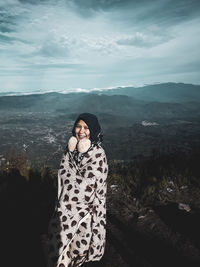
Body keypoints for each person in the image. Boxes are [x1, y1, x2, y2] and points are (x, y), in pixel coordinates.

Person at [47, 113, 108, 267]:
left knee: (81, 248)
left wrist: (72, 183)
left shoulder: (98, 154)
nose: (81, 131)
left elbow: (87, 188)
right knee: (61, 246)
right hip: (65, 209)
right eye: (78, 126)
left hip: (88, 213)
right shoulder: (69, 150)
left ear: (93, 130)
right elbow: (64, 174)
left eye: (86, 128)